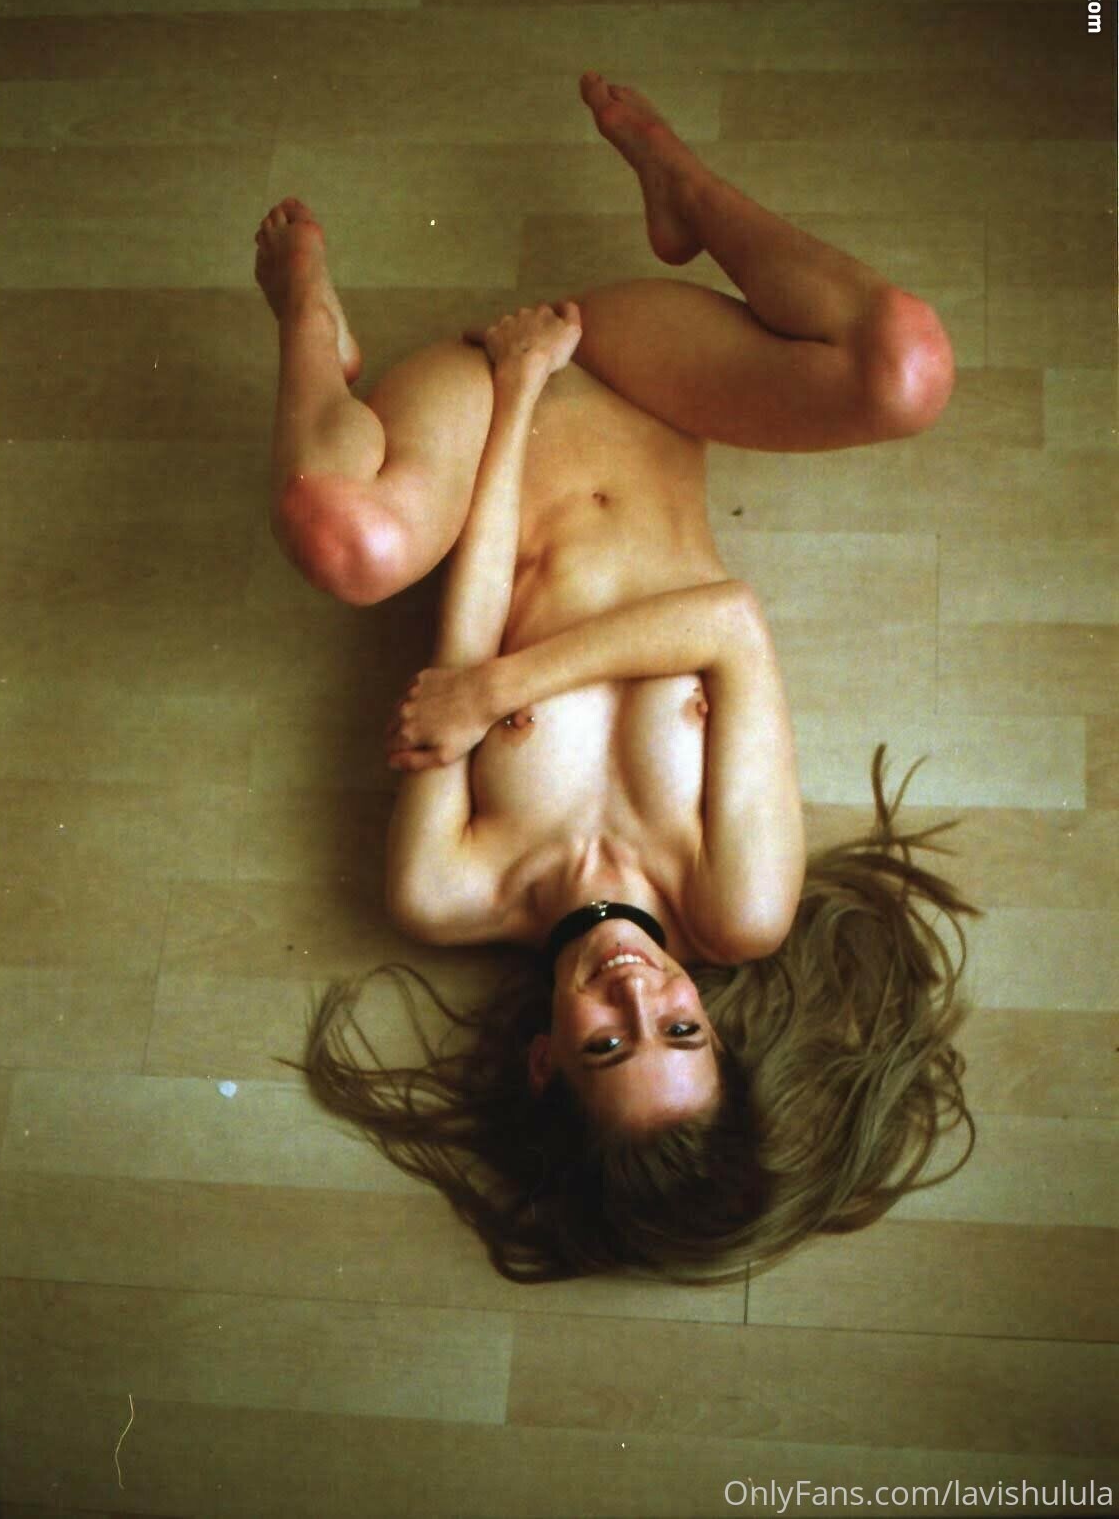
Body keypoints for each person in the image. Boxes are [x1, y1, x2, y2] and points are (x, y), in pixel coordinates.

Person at [256, 73, 977, 1282]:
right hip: (642, 374)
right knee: (907, 366)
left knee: (346, 542)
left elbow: (466, 625)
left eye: (607, 1045)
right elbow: (731, 626)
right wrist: (497, 695)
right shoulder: (739, 901)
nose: (639, 994)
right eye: (682, 1028)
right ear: (716, 1031)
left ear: (544, 1062)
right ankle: (683, 192)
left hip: (485, 416)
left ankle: (309, 329)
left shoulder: (448, 887)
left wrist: (518, 385)